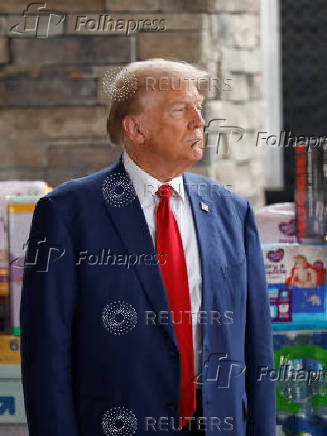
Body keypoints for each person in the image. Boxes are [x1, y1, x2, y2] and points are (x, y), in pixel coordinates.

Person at [20, 59, 276, 436]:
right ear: (135, 127)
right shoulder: (66, 213)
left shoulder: (232, 212)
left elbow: (257, 346)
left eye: (199, 108)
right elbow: (46, 354)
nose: (198, 122)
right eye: (180, 109)